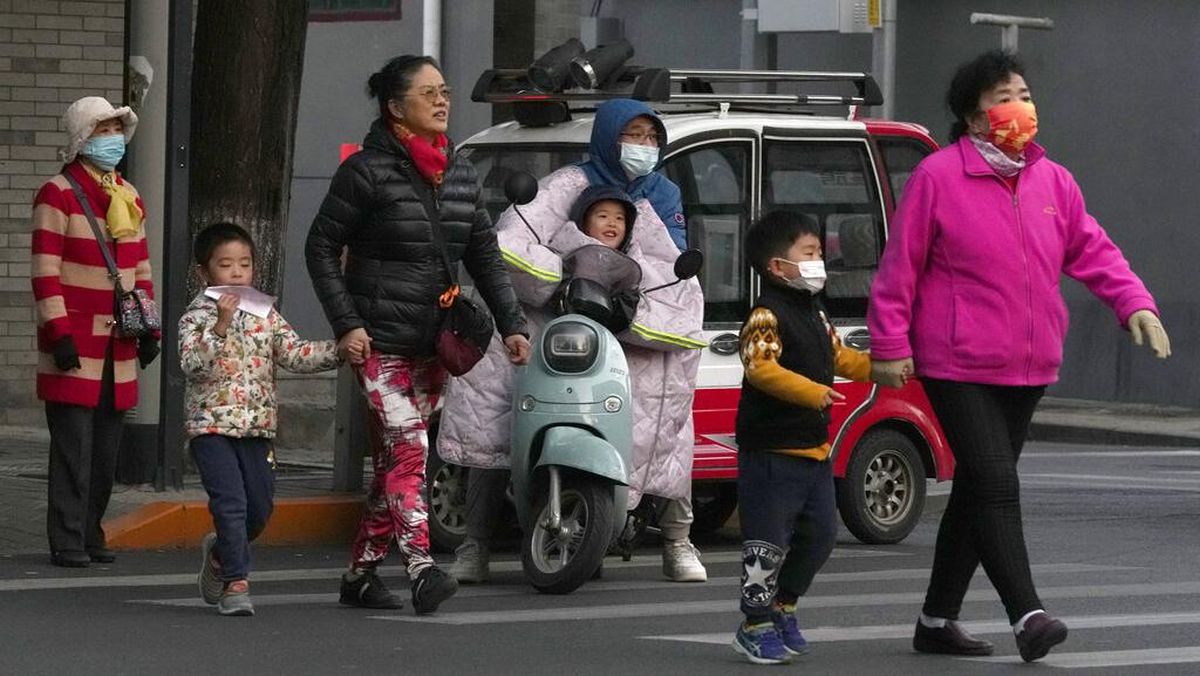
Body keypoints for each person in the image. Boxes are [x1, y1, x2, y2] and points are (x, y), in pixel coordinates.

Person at [868, 50, 1171, 663]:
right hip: (956, 362)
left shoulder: (1053, 180)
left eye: (1027, 95)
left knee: (980, 491)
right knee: (997, 483)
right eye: (1008, 96)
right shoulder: (939, 177)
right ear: (976, 118)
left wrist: (1134, 302)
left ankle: (935, 620)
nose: (1024, 107)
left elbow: (1093, 250)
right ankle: (1028, 615)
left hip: (1027, 364)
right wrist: (889, 347)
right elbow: (899, 269)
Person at [439, 101, 708, 584]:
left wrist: (628, 306)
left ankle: (677, 540)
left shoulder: (662, 197)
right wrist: (566, 279)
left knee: (671, 419)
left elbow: (674, 281)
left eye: (651, 137)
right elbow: (509, 247)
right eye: (633, 134)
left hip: (626, 338)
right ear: (608, 136)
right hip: (552, 326)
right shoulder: (567, 185)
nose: (643, 146)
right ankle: (474, 545)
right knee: (495, 404)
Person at [305, 54, 529, 614]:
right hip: (378, 343)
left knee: (396, 464)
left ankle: (359, 576)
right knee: (410, 450)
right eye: (428, 92)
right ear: (395, 106)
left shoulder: (457, 168)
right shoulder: (365, 171)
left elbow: (483, 252)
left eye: (445, 90)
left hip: (435, 344)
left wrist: (513, 325)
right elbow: (321, 247)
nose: (442, 100)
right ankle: (423, 570)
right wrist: (347, 323)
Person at [180, 223, 349, 617]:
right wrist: (219, 327)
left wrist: (338, 351)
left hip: (257, 427)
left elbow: (295, 353)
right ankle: (236, 583)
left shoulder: (264, 314)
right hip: (212, 427)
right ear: (204, 273)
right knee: (231, 504)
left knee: (258, 509)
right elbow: (192, 364)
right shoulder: (196, 317)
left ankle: (221, 554)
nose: (237, 273)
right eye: (226, 265)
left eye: (245, 264)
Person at [729, 211, 873, 665]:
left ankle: (783, 605)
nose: (818, 262)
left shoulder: (813, 311)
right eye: (808, 254)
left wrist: (886, 370)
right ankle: (753, 624)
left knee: (820, 537)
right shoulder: (764, 315)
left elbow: (839, 357)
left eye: (818, 253)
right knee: (766, 544)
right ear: (776, 266)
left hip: (814, 450)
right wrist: (813, 393)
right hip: (771, 450)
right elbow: (762, 368)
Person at [30, 96, 160, 568]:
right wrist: (59, 332)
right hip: (73, 344)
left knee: (106, 451)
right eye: (103, 130)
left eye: (116, 129)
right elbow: (45, 271)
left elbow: (140, 267)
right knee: (73, 450)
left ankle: (91, 532)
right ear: (83, 137)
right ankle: (66, 538)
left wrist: (149, 327)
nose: (114, 139)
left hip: (119, 344)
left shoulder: (127, 195)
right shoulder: (57, 192)